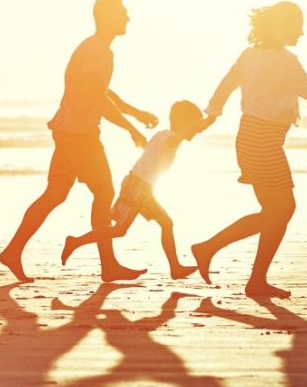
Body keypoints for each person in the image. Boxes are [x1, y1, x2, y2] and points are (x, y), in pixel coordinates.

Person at [190, 1, 307, 300]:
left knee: (277, 211)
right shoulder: (283, 61)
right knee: (281, 210)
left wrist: (212, 112)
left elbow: (227, 83)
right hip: (261, 140)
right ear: (280, 27)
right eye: (297, 25)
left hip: (252, 138)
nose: (301, 32)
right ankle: (226, 260)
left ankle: (224, 258)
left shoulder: (250, 55)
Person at [0, 0, 158, 283]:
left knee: (56, 193)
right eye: (123, 12)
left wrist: (135, 113)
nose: (128, 18)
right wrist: (130, 128)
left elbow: (103, 92)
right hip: (79, 134)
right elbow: (96, 98)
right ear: (106, 15)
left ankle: (12, 250)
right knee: (104, 192)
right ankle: (108, 265)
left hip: (68, 130)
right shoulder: (96, 51)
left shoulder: (97, 49)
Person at [60, 100, 207, 279]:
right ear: (183, 123)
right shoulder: (169, 138)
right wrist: (192, 126)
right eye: (192, 126)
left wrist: (209, 118)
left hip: (143, 188)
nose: (195, 132)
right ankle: (75, 242)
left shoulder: (164, 136)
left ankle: (175, 268)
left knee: (166, 223)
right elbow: (175, 139)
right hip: (138, 188)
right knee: (120, 230)